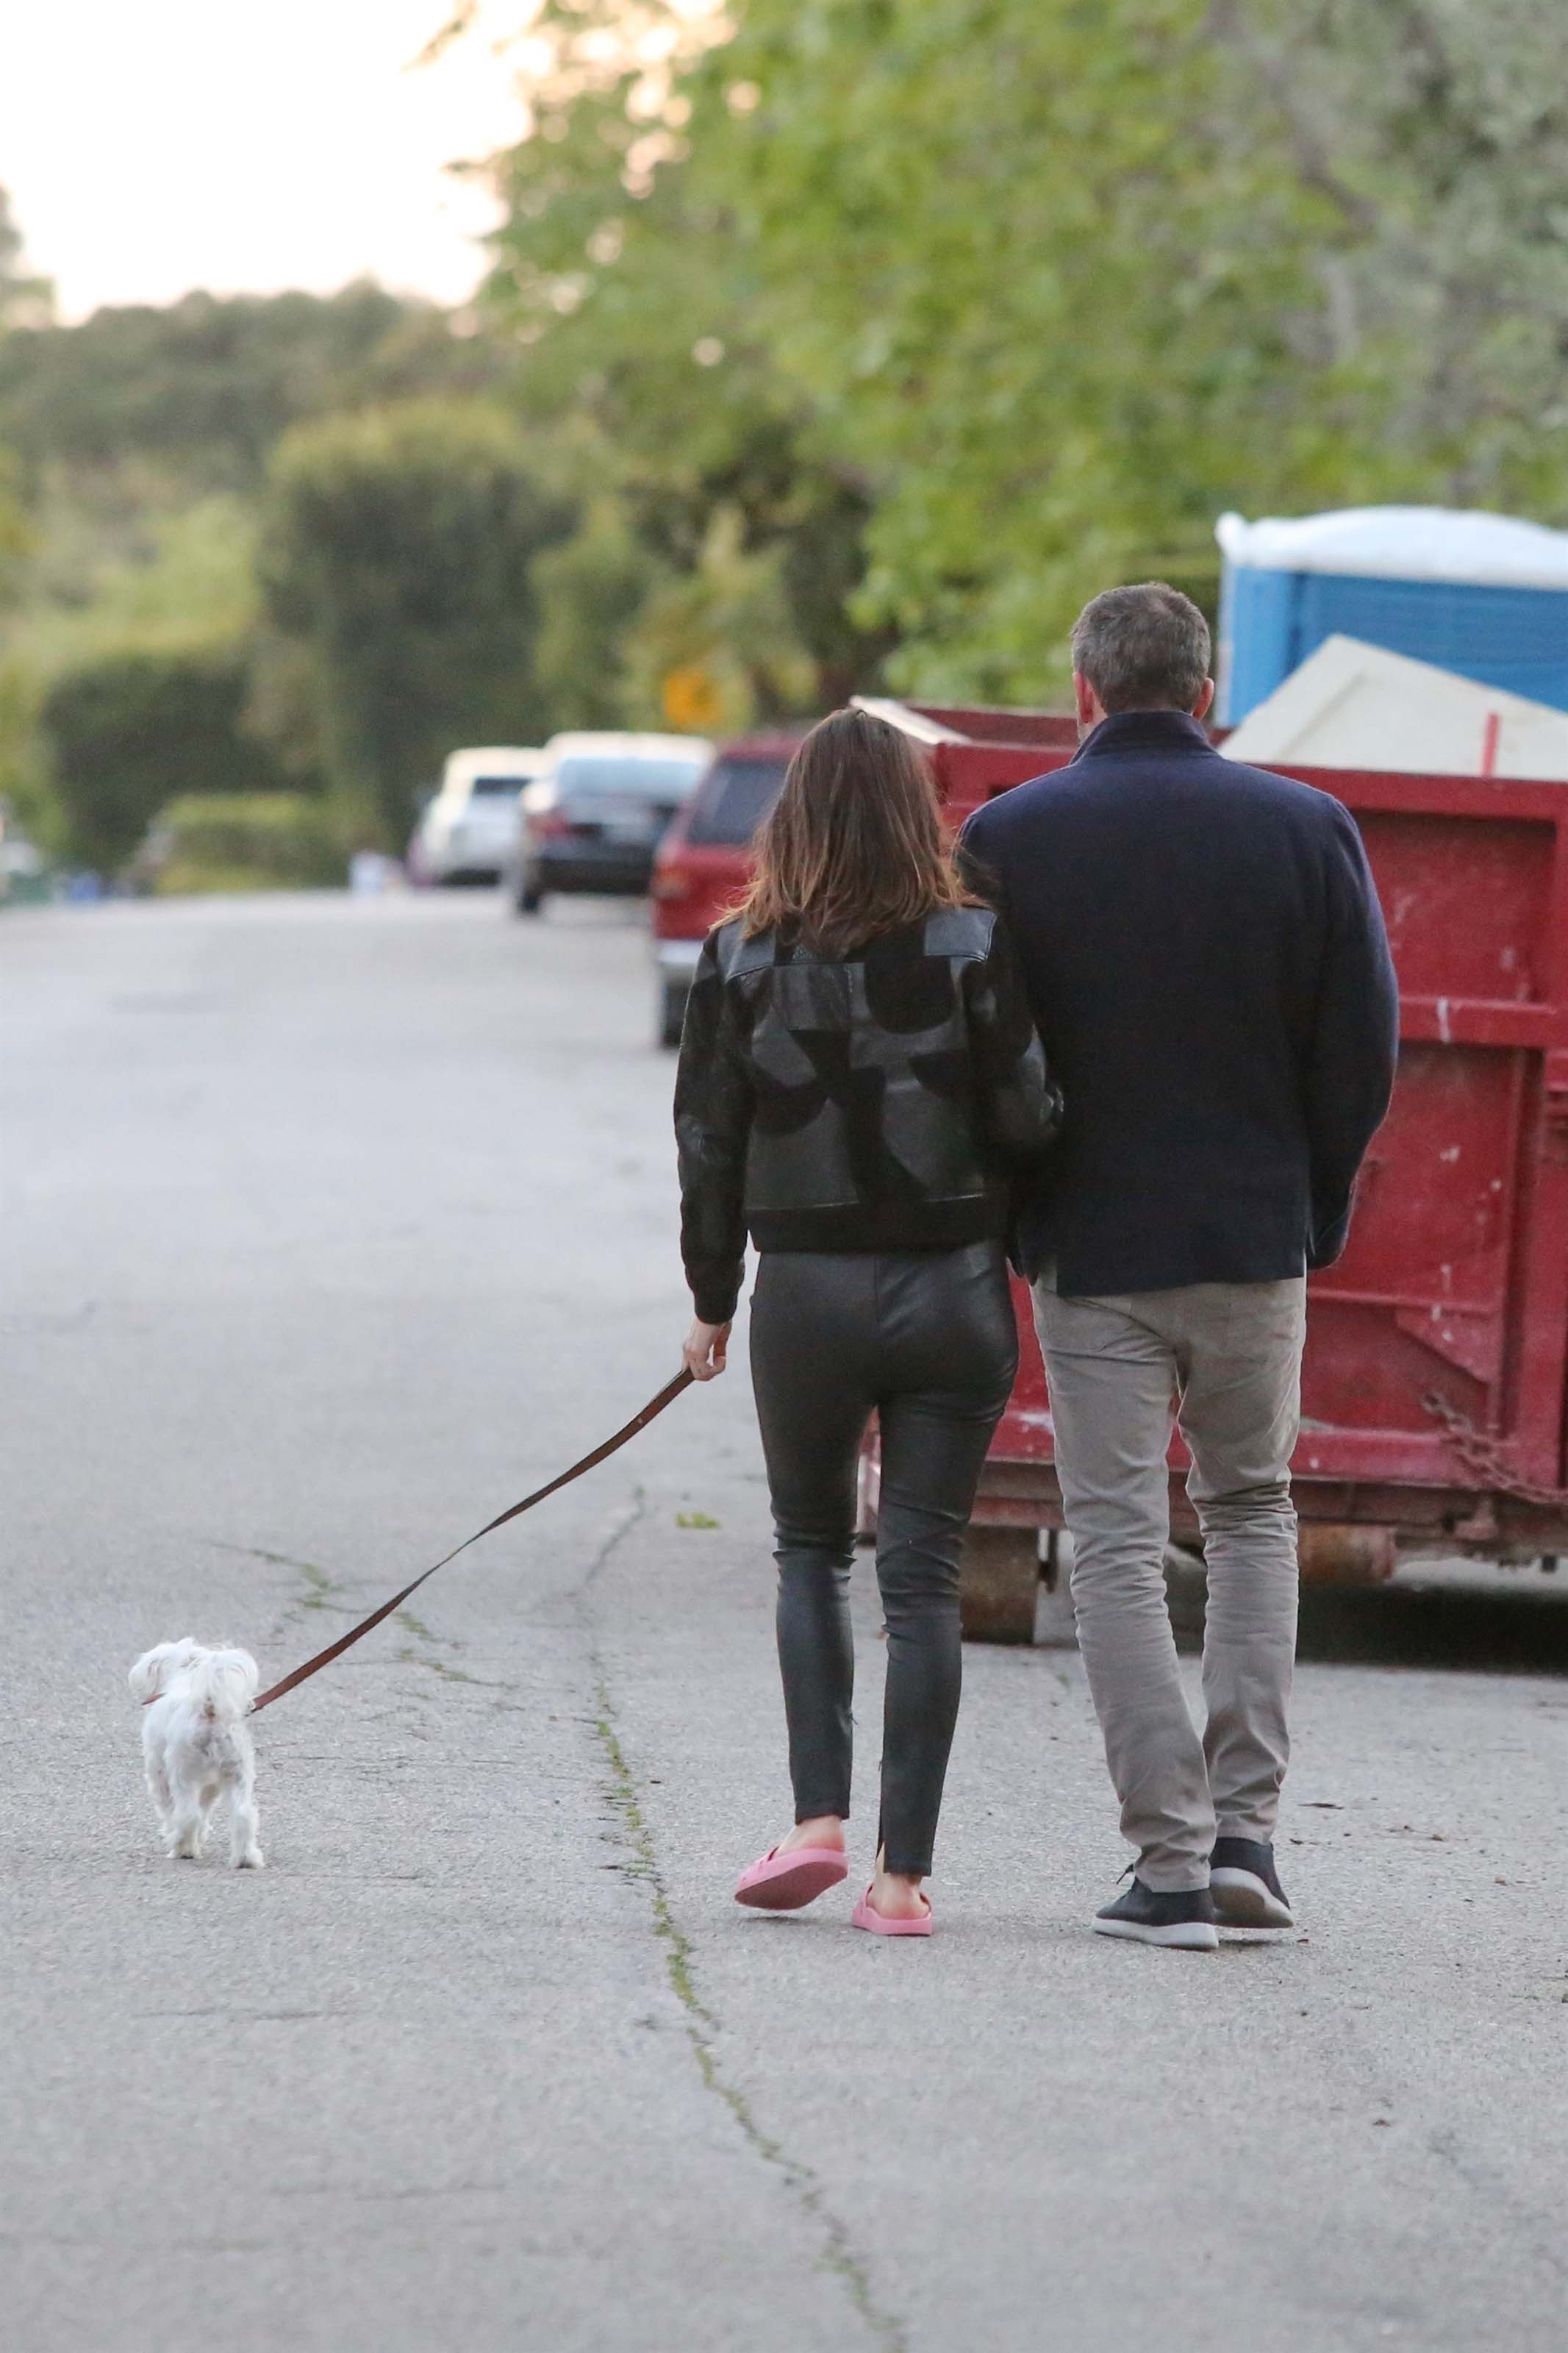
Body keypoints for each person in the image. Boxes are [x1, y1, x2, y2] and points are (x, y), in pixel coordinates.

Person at [962, 582, 1399, 1952]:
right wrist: (1308, 1203)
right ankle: (1249, 1839)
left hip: (1090, 1246)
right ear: (1206, 692)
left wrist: (1016, 1209)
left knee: (1110, 1539)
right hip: (1252, 1239)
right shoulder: (1305, 827)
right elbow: (1362, 1049)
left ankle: (1165, 1864)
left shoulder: (1008, 838)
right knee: (1253, 1513)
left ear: (1081, 693)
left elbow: (984, 1057)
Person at [674, 707, 1060, 1936]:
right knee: (924, 1582)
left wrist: (707, 1303)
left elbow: (707, 1146)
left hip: (806, 1294)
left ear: (788, 818)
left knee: (806, 1552)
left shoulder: (737, 957)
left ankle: (815, 1824)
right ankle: (902, 1883)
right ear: (916, 816)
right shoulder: (974, 940)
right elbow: (1027, 1117)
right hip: (951, 1288)